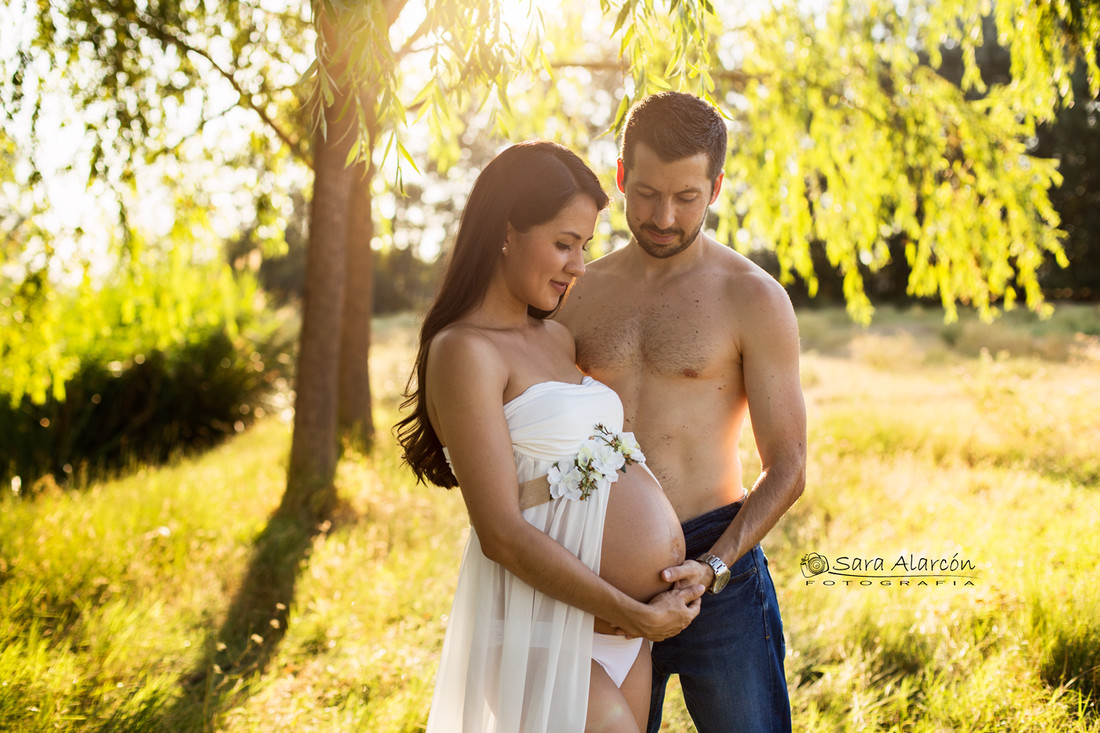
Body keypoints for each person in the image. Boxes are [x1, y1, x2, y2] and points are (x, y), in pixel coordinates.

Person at [396, 140, 707, 733]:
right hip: (541, 625)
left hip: (621, 631)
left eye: (585, 246)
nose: (578, 266)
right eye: (564, 244)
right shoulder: (465, 351)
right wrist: (633, 613)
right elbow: (502, 535)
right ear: (505, 233)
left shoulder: (558, 339)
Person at [556, 92, 807, 732]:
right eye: (644, 193)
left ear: (716, 187)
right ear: (619, 177)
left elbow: (789, 466)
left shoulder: (752, 297)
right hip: (599, 570)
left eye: (686, 198)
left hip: (716, 568)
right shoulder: (575, 296)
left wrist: (715, 567)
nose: (663, 217)